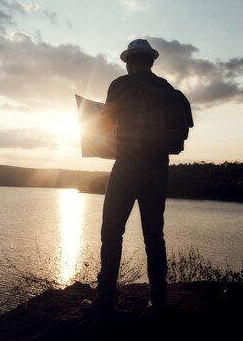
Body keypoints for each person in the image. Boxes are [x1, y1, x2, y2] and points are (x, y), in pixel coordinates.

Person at [82, 38, 191, 317]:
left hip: (128, 165)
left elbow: (106, 125)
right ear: (151, 61)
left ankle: (105, 299)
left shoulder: (119, 85)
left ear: (129, 61)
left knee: (112, 232)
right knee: (155, 236)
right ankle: (159, 300)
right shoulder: (166, 88)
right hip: (158, 168)